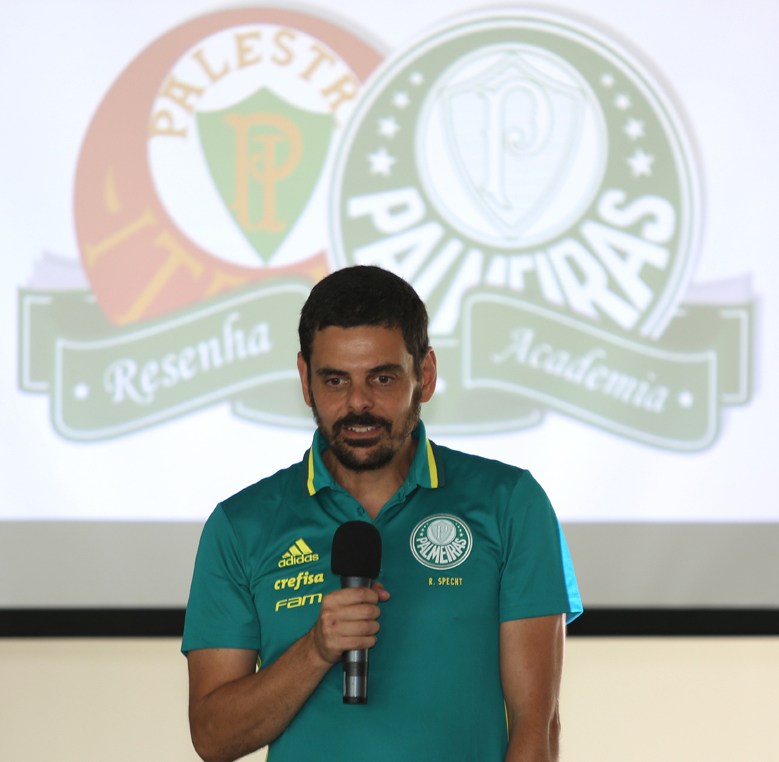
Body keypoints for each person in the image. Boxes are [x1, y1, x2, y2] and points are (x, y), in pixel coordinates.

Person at [182, 265, 582, 762]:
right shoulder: (240, 526)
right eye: (335, 380)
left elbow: (536, 726)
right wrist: (315, 650)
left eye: (383, 378)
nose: (358, 403)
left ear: (425, 375)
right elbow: (213, 738)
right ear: (305, 380)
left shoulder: (510, 503)